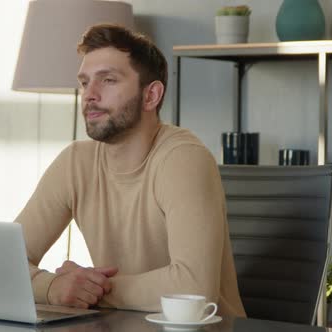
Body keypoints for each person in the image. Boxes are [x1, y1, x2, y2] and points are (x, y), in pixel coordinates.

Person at [14, 24, 246, 317]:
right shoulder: (75, 163)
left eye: (108, 80)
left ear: (151, 96)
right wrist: (53, 287)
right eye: (85, 83)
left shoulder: (183, 159)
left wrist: (92, 289)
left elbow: (194, 288)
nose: (90, 95)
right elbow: (6, 263)